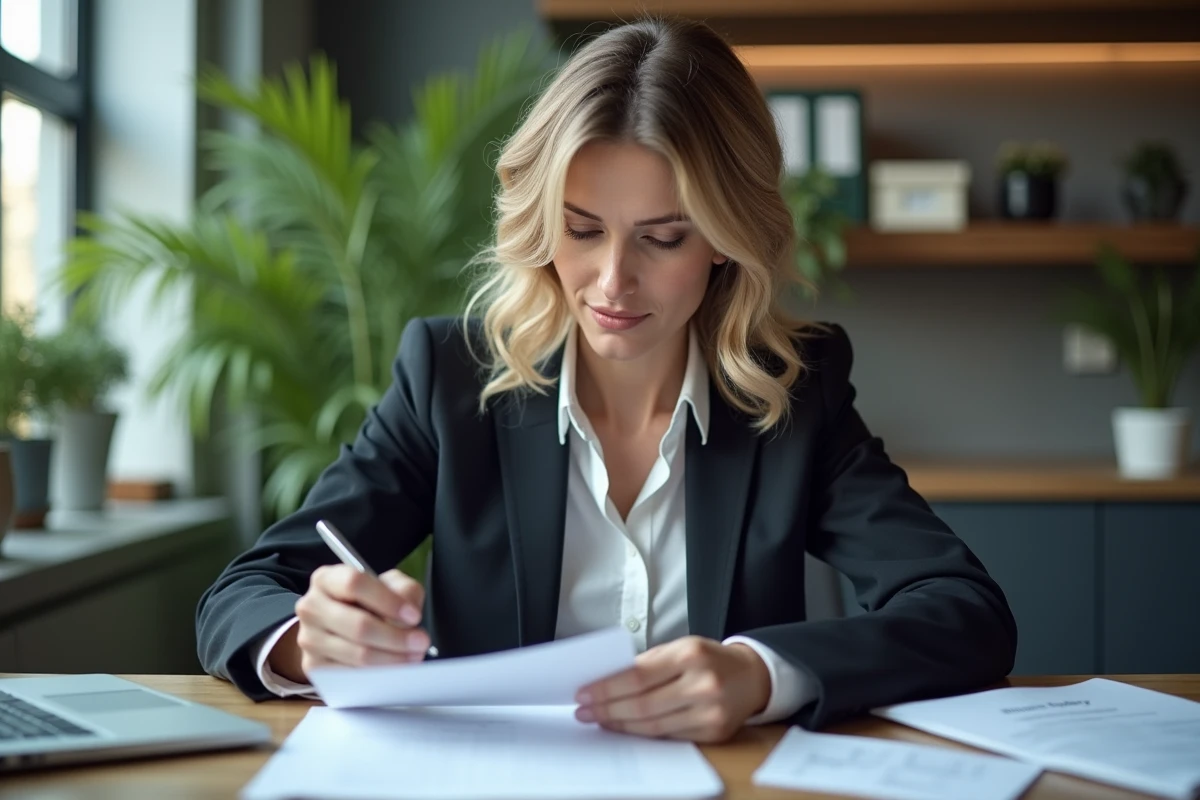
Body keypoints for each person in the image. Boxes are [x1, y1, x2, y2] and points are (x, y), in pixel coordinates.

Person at [196, 16, 1016, 744]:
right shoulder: (448, 380)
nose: (611, 281)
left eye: (663, 238)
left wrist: (761, 674)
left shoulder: (796, 397)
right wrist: (309, 640)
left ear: (726, 240)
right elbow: (244, 592)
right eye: (581, 230)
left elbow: (962, 610)